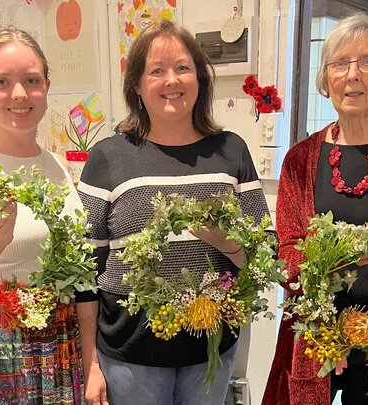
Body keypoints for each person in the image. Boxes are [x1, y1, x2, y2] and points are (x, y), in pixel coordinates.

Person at [76, 19, 272, 405]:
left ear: (200, 78)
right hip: (131, 357)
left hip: (210, 352)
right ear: (136, 85)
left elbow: (266, 249)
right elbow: (86, 268)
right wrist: (91, 363)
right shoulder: (107, 158)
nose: (172, 80)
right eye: (157, 70)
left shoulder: (231, 151)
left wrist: (228, 244)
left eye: (183, 68)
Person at [262, 13, 368, 405]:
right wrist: (322, 329)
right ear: (326, 79)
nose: (352, 75)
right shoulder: (300, 160)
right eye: (340, 63)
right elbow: (287, 251)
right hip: (317, 339)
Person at [0, 26, 84, 404]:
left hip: (60, 347)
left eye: (31, 80)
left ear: (46, 85)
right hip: (0, 353)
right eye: (0, 81)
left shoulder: (58, 166)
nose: (18, 94)